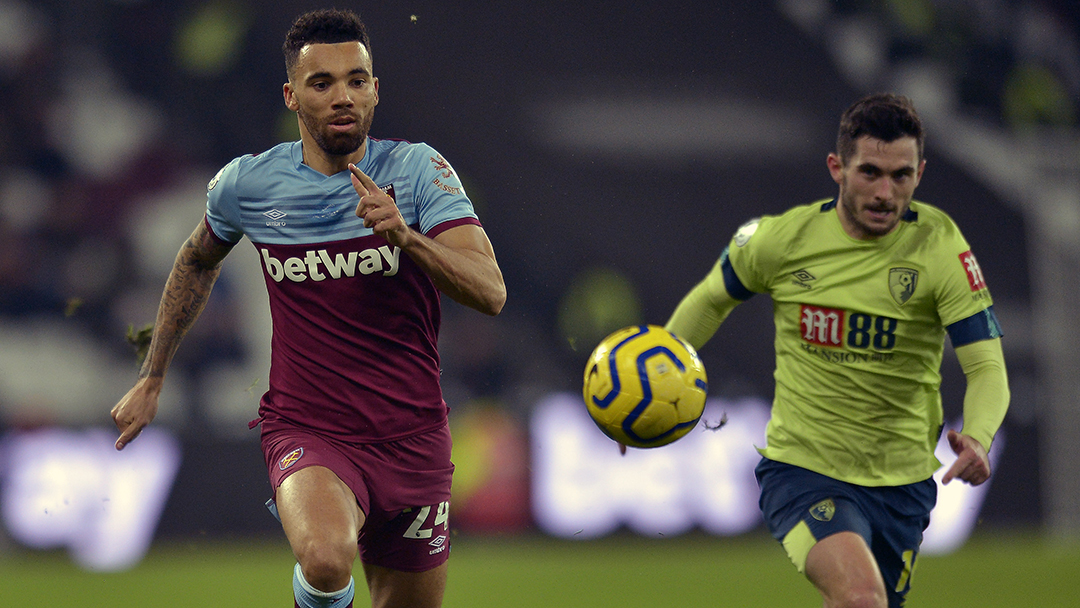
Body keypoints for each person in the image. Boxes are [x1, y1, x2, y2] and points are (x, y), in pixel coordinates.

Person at [110, 8, 505, 608]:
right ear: (293, 96)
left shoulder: (419, 171)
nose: (342, 96)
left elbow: (490, 291)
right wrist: (153, 374)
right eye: (322, 83)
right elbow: (196, 260)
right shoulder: (249, 184)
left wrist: (407, 239)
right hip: (310, 427)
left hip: (414, 436)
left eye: (356, 79)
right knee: (324, 559)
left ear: (376, 89)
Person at [664, 93, 1009, 608]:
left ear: (920, 173)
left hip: (903, 487)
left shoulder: (941, 248)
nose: (885, 193)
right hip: (803, 471)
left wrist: (979, 437)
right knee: (859, 598)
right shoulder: (781, 240)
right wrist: (654, 388)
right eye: (870, 172)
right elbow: (711, 299)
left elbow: (986, 367)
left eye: (902, 175)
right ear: (837, 169)